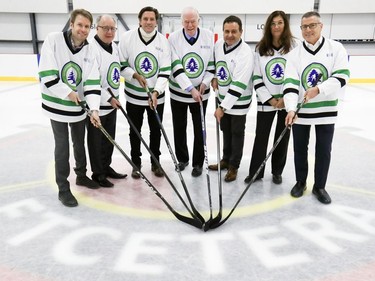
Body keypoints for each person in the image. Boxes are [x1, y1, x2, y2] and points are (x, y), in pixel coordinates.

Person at [283, 11, 350, 204]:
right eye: (304, 26)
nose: (308, 30)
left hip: (326, 111)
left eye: (312, 25)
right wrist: (290, 108)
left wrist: (319, 89)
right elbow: (289, 84)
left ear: (321, 26)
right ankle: (300, 181)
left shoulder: (336, 48)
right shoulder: (294, 55)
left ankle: (319, 186)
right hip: (301, 112)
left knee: (323, 150)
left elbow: (342, 76)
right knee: (299, 149)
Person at [39, 9, 102, 207]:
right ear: (72, 24)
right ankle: (63, 188)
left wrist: (94, 109)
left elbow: (92, 82)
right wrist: (68, 92)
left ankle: (81, 175)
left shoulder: (90, 50)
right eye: (80, 25)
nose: (83, 30)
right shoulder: (54, 40)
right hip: (56, 104)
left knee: (79, 142)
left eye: (86, 26)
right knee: (62, 146)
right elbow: (47, 72)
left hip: (78, 107)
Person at [244, 11, 297, 185]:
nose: (276, 26)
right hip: (266, 101)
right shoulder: (260, 48)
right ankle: (256, 172)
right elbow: (257, 77)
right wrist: (270, 100)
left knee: (282, 137)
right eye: (273, 23)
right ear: (268, 26)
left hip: (287, 100)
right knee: (261, 136)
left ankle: (277, 171)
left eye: (280, 23)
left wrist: (285, 99)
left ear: (285, 25)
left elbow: (297, 74)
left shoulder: (295, 46)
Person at [118, 6, 171, 179]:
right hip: (133, 97)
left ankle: (155, 163)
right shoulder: (127, 38)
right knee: (135, 131)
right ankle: (136, 163)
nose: (148, 22)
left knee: (156, 131)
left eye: (152, 19)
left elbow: (165, 70)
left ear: (156, 21)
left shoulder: (163, 42)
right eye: (145, 19)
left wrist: (156, 92)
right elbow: (121, 64)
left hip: (156, 98)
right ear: (139, 20)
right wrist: (133, 74)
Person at [168, 7, 215, 177]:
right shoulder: (173, 38)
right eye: (186, 22)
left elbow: (212, 64)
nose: (189, 25)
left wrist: (205, 82)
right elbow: (175, 66)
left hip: (201, 94)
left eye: (192, 21)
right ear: (181, 22)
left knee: (199, 129)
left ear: (198, 20)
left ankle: (198, 163)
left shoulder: (209, 36)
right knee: (179, 127)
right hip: (178, 93)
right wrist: (190, 88)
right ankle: (182, 159)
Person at [208, 15, 254, 182]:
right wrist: (213, 76)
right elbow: (214, 64)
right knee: (225, 130)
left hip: (239, 101)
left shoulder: (245, 53)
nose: (230, 35)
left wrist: (222, 108)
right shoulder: (218, 45)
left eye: (234, 31)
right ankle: (226, 159)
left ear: (241, 32)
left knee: (236, 132)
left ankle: (234, 166)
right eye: (226, 31)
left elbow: (239, 84)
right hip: (222, 98)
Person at [87, 15, 127, 188]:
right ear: (97, 28)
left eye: (113, 29)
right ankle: (98, 173)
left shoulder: (114, 48)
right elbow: (90, 81)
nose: (110, 32)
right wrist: (109, 98)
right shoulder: (91, 49)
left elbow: (117, 72)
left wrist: (133, 75)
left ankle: (106, 166)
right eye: (106, 28)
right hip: (97, 105)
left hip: (112, 104)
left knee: (109, 139)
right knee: (96, 142)